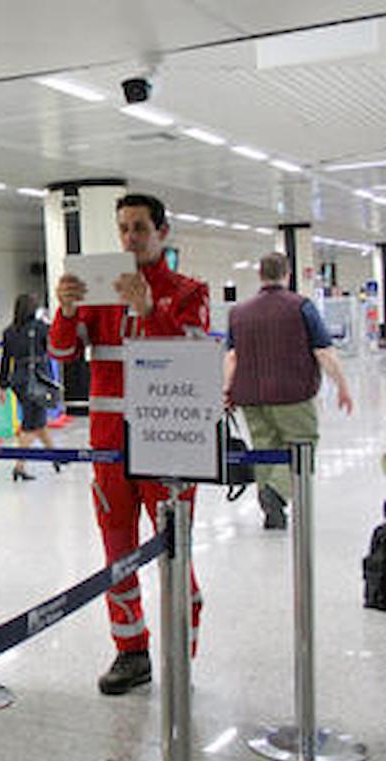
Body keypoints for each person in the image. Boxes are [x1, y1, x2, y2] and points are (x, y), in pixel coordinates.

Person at [49, 193, 208, 696]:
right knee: (116, 555)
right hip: (109, 451)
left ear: (162, 232)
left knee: (174, 557)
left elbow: (194, 364)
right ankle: (130, 650)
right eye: (123, 228)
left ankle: (181, 654)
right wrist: (68, 309)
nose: (130, 237)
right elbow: (62, 352)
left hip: (169, 448)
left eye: (140, 227)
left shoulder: (188, 291)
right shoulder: (100, 291)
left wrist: (149, 312)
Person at [223, 252, 353, 529]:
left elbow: (231, 357)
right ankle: (277, 492)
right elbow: (324, 352)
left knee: (264, 447)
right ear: (288, 274)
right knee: (302, 443)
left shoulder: (238, 313)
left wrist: (226, 390)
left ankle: (271, 507)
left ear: (260, 276)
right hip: (292, 392)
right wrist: (342, 386)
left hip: (249, 395)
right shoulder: (301, 307)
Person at [0, 292, 60, 481]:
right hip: (37, 379)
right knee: (30, 424)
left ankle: (56, 457)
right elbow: (53, 347)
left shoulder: (9, 331)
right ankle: (19, 465)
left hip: (18, 379)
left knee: (37, 421)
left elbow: (5, 359)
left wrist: (2, 385)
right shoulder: (41, 328)